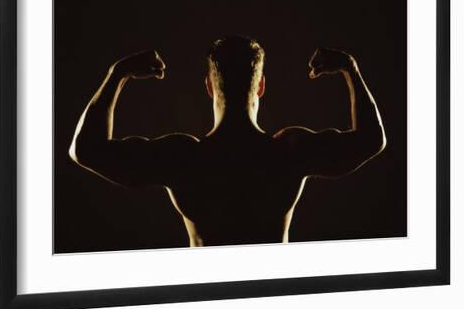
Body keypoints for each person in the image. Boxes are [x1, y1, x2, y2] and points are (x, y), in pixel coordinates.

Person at [69, 37, 386, 247]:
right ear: (261, 86)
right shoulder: (289, 153)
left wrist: (117, 73)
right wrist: (350, 69)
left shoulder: (183, 159)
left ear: (208, 86)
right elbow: (372, 139)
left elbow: (85, 150)